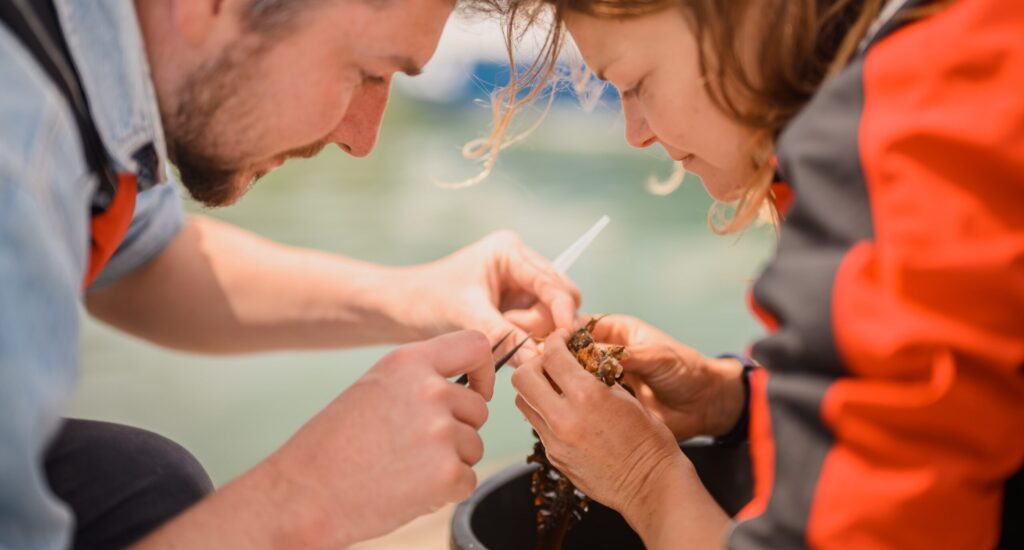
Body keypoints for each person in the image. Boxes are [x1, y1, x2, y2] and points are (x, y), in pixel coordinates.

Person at [0, 0, 581, 548]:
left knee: (146, 484)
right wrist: (307, 498)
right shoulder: (19, 167)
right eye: (367, 71)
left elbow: (143, 260)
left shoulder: (88, 75)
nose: (363, 138)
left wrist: (420, 295)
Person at [487, 0, 1024, 547]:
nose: (635, 133)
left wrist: (644, 479)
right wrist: (734, 399)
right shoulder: (976, 50)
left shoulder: (899, 151)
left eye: (633, 83)